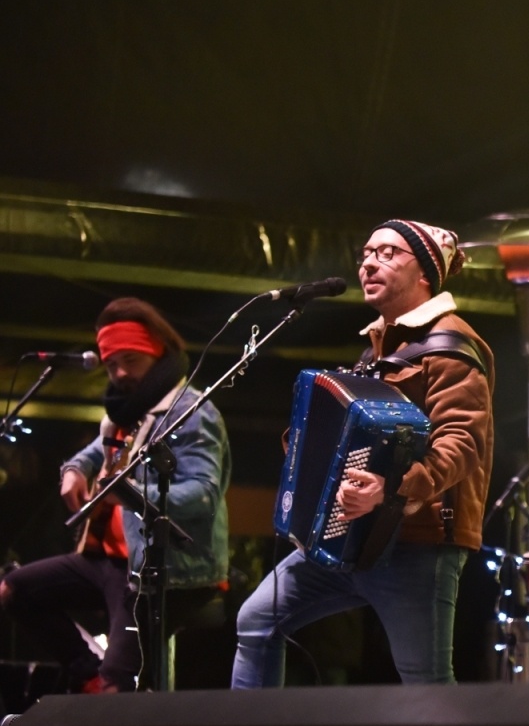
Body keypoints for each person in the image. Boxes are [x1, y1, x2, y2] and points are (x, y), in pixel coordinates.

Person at [232, 220, 494, 687]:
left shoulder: (451, 346)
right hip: (349, 534)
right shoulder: (376, 348)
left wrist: (393, 491)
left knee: (425, 681)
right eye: (367, 253)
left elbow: (463, 441)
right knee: (256, 621)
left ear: (425, 273)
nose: (370, 262)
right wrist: (305, 449)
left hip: (418, 541)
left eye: (389, 253)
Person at [0, 298, 231, 693]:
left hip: (161, 573)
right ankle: (88, 673)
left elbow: (204, 495)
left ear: (158, 356)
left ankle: (111, 696)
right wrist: (75, 470)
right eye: (111, 365)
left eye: (131, 360)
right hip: (109, 562)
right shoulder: (126, 413)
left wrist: (129, 493)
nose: (120, 373)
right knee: (15, 590)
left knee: (117, 689)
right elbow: (96, 451)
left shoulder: (190, 412)